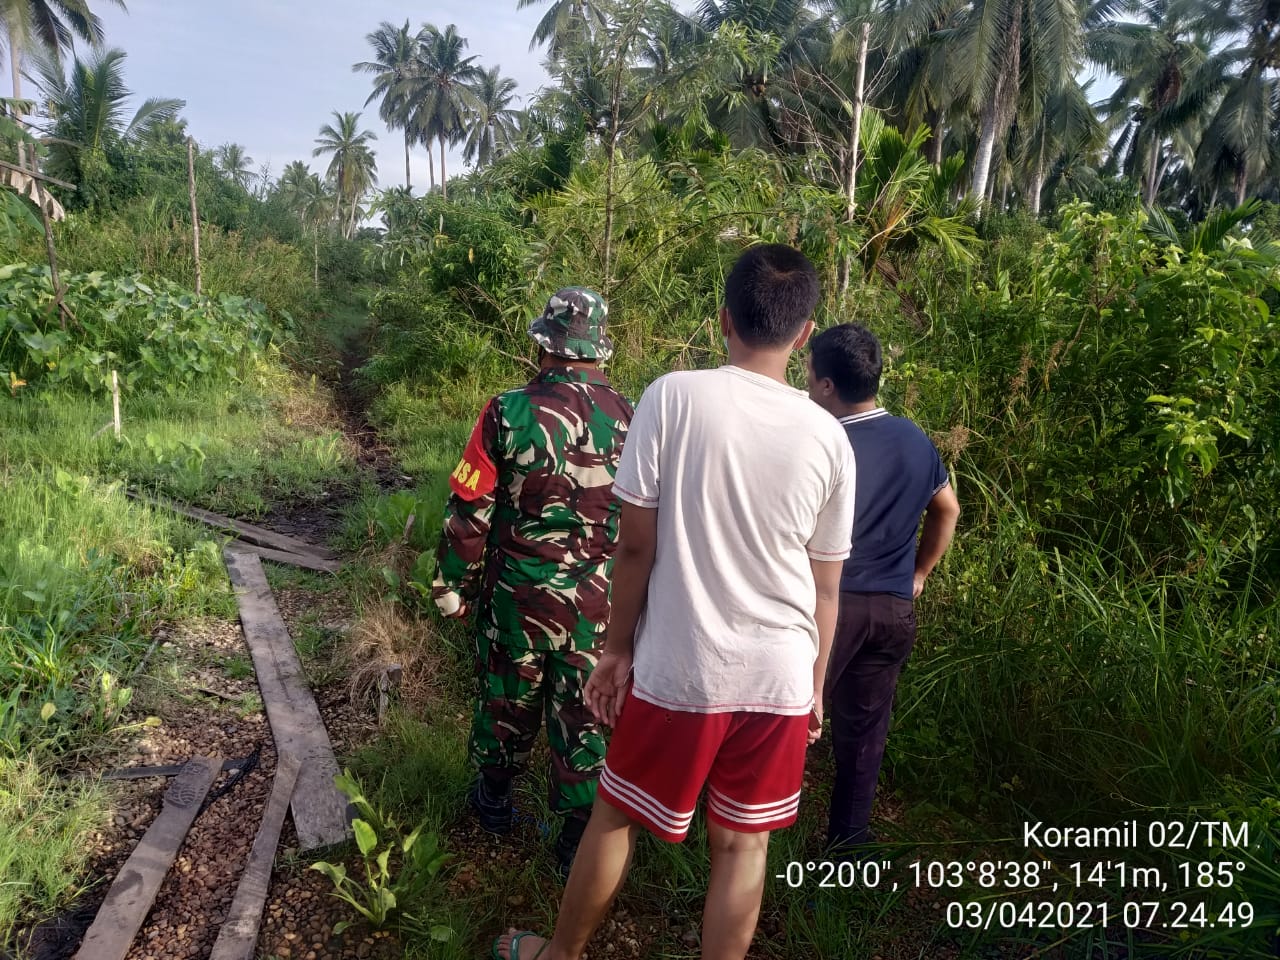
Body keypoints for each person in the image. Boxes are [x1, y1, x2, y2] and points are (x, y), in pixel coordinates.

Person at [493, 244, 857, 960]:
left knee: (615, 816)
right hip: (780, 673)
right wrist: (815, 686)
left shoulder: (674, 395)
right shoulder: (829, 438)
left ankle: (560, 954)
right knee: (741, 847)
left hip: (685, 666)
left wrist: (618, 648)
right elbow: (825, 589)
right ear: (806, 333)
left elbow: (635, 547)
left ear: (723, 318)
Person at [432, 287, 633, 878]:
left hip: (515, 600)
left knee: (504, 704)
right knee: (585, 716)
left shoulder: (506, 410)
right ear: (597, 351)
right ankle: (574, 841)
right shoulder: (632, 416)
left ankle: (493, 804)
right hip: (598, 606)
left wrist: (452, 585)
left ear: (543, 344)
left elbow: (471, 509)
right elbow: (646, 520)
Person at [804, 322, 960, 856]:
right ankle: (848, 842)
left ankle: (752, 832)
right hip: (893, 608)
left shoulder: (823, 440)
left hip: (830, 606)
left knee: (793, 715)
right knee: (864, 732)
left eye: (809, 373)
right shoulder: (915, 439)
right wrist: (918, 575)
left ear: (826, 385)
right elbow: (948, 509)